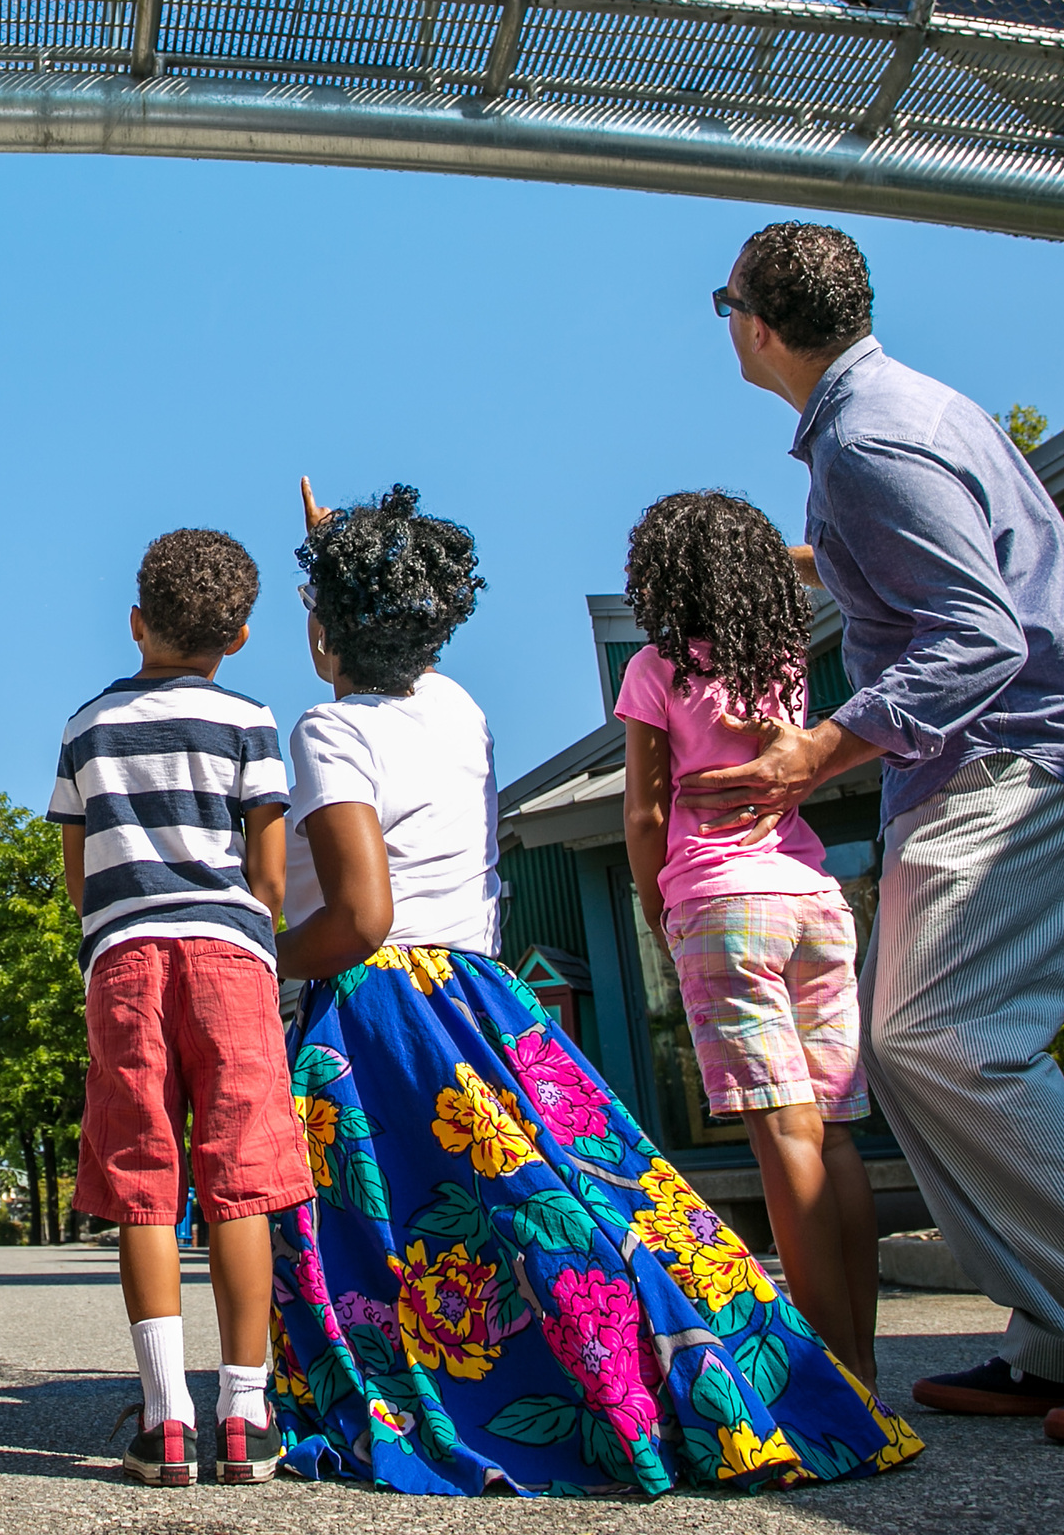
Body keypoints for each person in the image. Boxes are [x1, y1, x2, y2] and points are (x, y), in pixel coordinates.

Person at [688, 221, 1064, 1447]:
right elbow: (926, 568)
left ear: (755, 322)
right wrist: (789, 559)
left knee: (951, 1036)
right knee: (913, 1045)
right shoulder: (896, 415)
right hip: (1002, 753)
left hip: (1027, 752)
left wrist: (818, 748)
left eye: (724, 304)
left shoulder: (868, 440)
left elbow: (979, 634)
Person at [270, 481, 918, 1497]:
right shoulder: (460, 706)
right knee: (584, 1201)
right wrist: (350, 567)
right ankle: (777, 1360)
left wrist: (267, 951)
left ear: (325, 629)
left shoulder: (323, 728)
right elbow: (395, 662)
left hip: (384, 1003)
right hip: (487, 992)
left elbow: (361, 916)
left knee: (411, 1227)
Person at [49, 529, 308, 1487]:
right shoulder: (252, 720)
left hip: (123, 956)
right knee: (242, 1171)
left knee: (143, 1172)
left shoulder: (87, 726)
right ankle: (245, 1413)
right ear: (238, 635)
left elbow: (79, 874)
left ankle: (164, 1417)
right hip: (231, 956)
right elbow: (270, 875)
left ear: (135, 621)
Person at [617, 489, 880, 1387]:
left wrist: (658, 900)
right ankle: (863, 1368)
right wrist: (769, 555)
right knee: (834, 1137)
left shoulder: (658, 670)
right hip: (812, 900)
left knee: (784, 1141)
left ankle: (828, 1385)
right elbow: (822, 562)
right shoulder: (780, 660)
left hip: (723, 907)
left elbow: (646, 812)